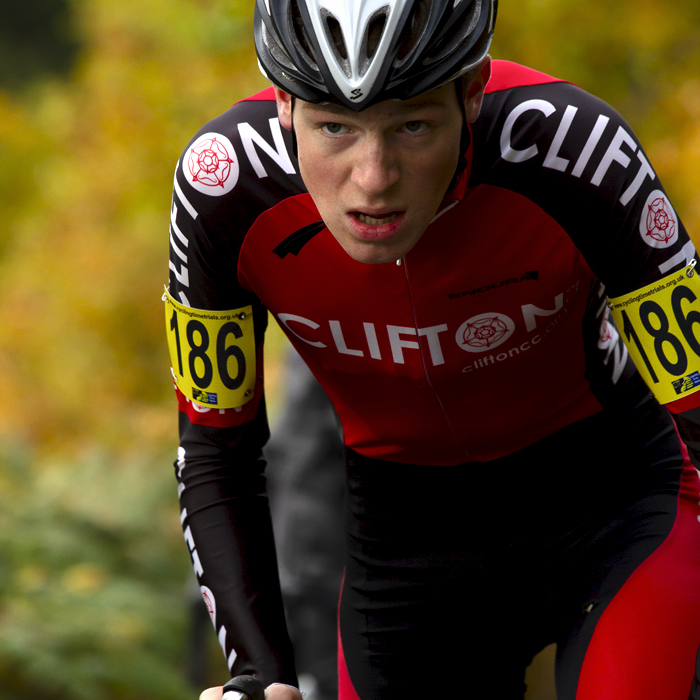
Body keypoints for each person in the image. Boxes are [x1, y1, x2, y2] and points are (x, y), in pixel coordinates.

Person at [164, 1, 700, 698]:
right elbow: (215, 451)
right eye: (335, 128)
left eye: (412, 125)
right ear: (285, 106)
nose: (374, 178)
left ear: (471, 92)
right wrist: (258, 674)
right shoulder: (222, 187)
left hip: (613, 501)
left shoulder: (576, 148)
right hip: (406, 546)